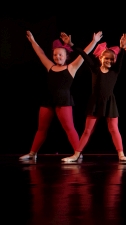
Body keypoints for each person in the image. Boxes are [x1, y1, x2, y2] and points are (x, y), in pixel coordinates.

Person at [20, 31, 91, 161]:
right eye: (55, 54)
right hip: (48, 100)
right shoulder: (50, 66)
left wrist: (94, 41)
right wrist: (33, 41)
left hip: (64, 101)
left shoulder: (72, 67)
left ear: (66, 56)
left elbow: (84, 53)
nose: (57, 57)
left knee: (69, 128)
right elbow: (40, 53)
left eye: (60, 55)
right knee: (41, 129)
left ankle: (77, 153)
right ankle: (32, 153)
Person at [63, 32, 126, 162]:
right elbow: (83, 54)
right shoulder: (95, 69)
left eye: (111, 59)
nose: (109, 61)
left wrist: (122, 47)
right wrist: (71, 44)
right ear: (100, 58)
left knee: (114, 129)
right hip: (95, 102)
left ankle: (121, 154)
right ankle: (76, 155)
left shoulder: (115, 71)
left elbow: (121, 58)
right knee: (87, 130)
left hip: (109, 102)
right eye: (106, 58)